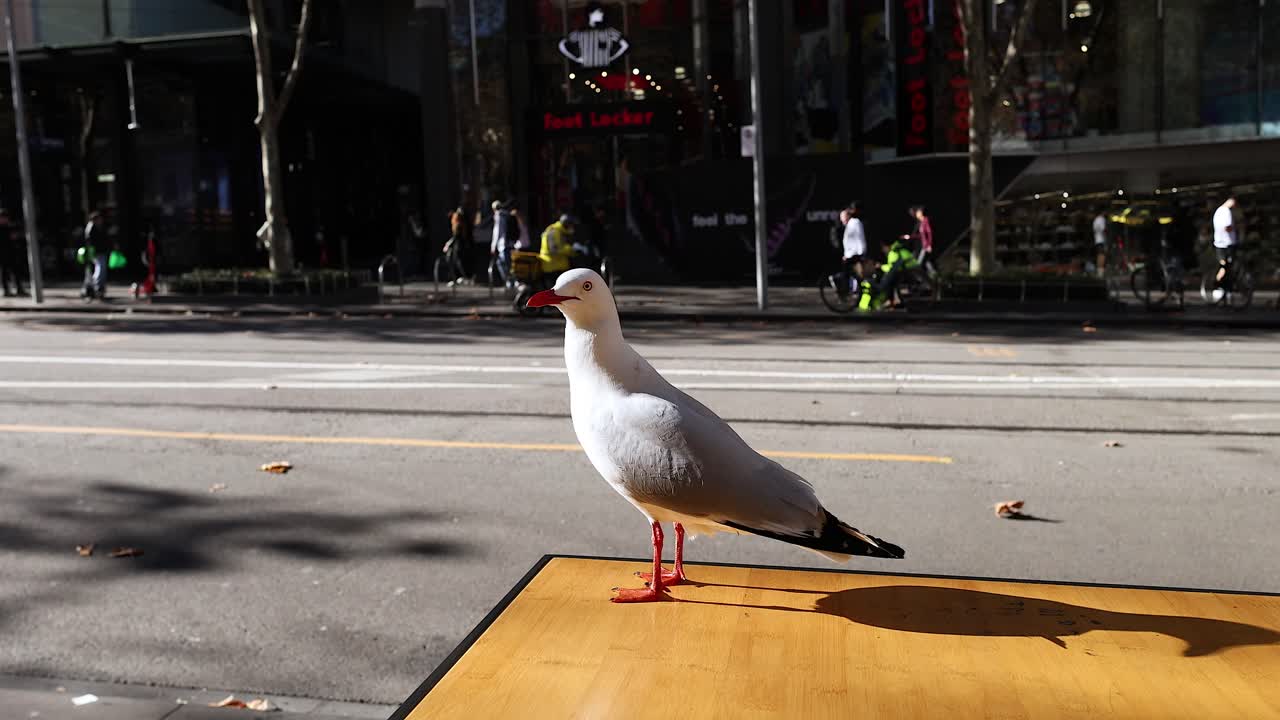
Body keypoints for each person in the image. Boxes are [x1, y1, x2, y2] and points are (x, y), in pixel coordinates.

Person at [1211, 195, 1238, 301]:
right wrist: (1238, 226)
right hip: (1227, 243)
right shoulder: (1226, 211)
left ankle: (1222, 289)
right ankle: (1218, 286)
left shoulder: (1218, 211)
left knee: (1224, 267)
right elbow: (1228, 227)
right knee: (1226, 268)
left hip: (1220, 243)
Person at [840, 203, 867, 290]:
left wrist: (861, 253)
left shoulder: (855, 222)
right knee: (853, 274)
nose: (841, 220)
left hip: (856, 254)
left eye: (843, 217)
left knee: (857, 274)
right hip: (851, 254)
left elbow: (860, 238)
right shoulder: (851, 224)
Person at [81, 211, 107, 300]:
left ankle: (95, 287)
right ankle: (96, 286)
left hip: (98, 251)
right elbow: (91, 241)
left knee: (97, 269)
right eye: (99, 219)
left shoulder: (94, 227)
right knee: (99, 268)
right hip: (97, 252)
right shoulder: (91, 227)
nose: (101, 220)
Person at [902, 205, 934, 277]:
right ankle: (933, 275)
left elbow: (929, 233)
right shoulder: (920, 223)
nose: (916, 214)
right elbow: (920, 235)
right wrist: (909, 237)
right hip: (922, 246)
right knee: (926, 262)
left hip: (925, 246)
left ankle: (928, 277)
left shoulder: (925, 220)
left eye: (918, 212)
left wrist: (929, 244)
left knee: (919, 264)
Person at [489, 200, 515, 288]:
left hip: (503, 245)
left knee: (502, 263)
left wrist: (493, 246)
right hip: (511, 243)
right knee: (508, 264)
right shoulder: (507, 214)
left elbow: (497, 232)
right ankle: (511, 281)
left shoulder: (499, 215)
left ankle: (510, 282)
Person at [0, 209, 24, 297]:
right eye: (3, 218)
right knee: (5, 273)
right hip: (3, 254)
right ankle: (6, 290)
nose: (4, 220)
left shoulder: (9, 227)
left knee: (16, 272)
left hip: (12, 253)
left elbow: (15, 238)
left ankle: (19, 289)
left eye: (5, 218)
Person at [1092, 211, 1108, 278]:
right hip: (1101, 240)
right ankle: (1100, 273)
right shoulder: (1101, 219)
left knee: (1100, 255)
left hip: (1097, 240)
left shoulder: (1096, 220)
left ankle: (1099, 272)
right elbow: (1103, 229)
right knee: (1102, 255)